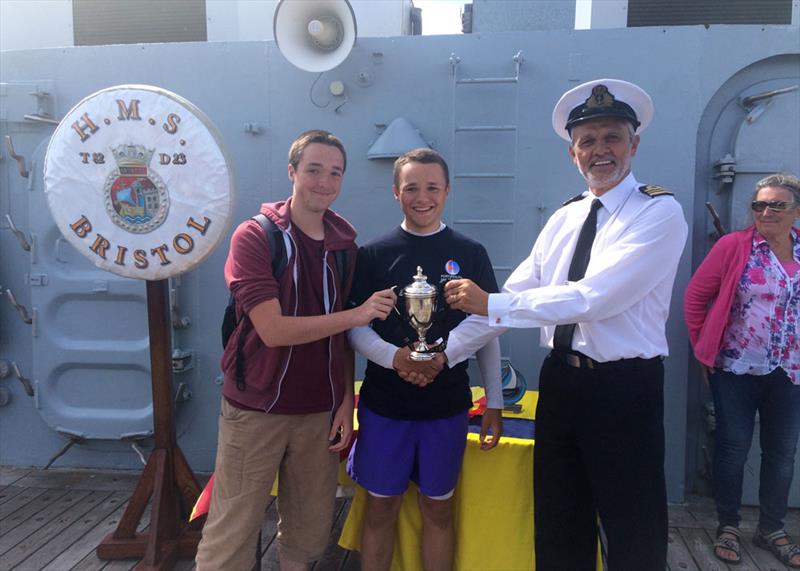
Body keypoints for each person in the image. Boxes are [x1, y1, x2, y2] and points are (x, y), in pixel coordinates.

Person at [442, 79, 688, 570]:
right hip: (562, 382)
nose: (600, 150)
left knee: (632, 525)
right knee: (558, 519)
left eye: (612, 137)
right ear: (572, 153)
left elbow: (593, 297)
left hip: (624, 388)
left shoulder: (659, 212)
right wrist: (439, 355)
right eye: (587, 141)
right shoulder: (565, 217)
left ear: (634, 144)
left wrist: (488, 303)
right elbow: (516, 297)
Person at [195, 130, 396, 571]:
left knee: (308, 533)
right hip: (256, 410)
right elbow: (273, 330)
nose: (324, 181)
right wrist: (358, 314)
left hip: (318, 413)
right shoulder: (254, 238)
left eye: (335, 172)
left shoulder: (344, 245)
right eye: (313, 170)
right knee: (232, 531)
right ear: (292, 173)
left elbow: (340, 341)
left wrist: (345, 400)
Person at [346, 148, 504, 571]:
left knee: (438, 511)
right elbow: (354, 327)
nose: (422, 197)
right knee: (380, 511)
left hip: (446, 407)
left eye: (432, 187)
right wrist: (397, 358)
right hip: (385, 408)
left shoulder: (470, 253)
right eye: (411, 187)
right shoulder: (373, 255)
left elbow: (487, 326)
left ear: (447, 191)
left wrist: (495, 400)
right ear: (395, 192)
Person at [684, 173, 800, 567]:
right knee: (732, 449)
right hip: (735, 366)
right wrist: (705, 351)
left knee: (782, 453)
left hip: (790, 371)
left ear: (796, 211)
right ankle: (728, 525)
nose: (766, 212)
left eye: (777, 205)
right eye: (759, 205)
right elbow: (696, 297)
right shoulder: (735, 247)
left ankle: (772, 528)